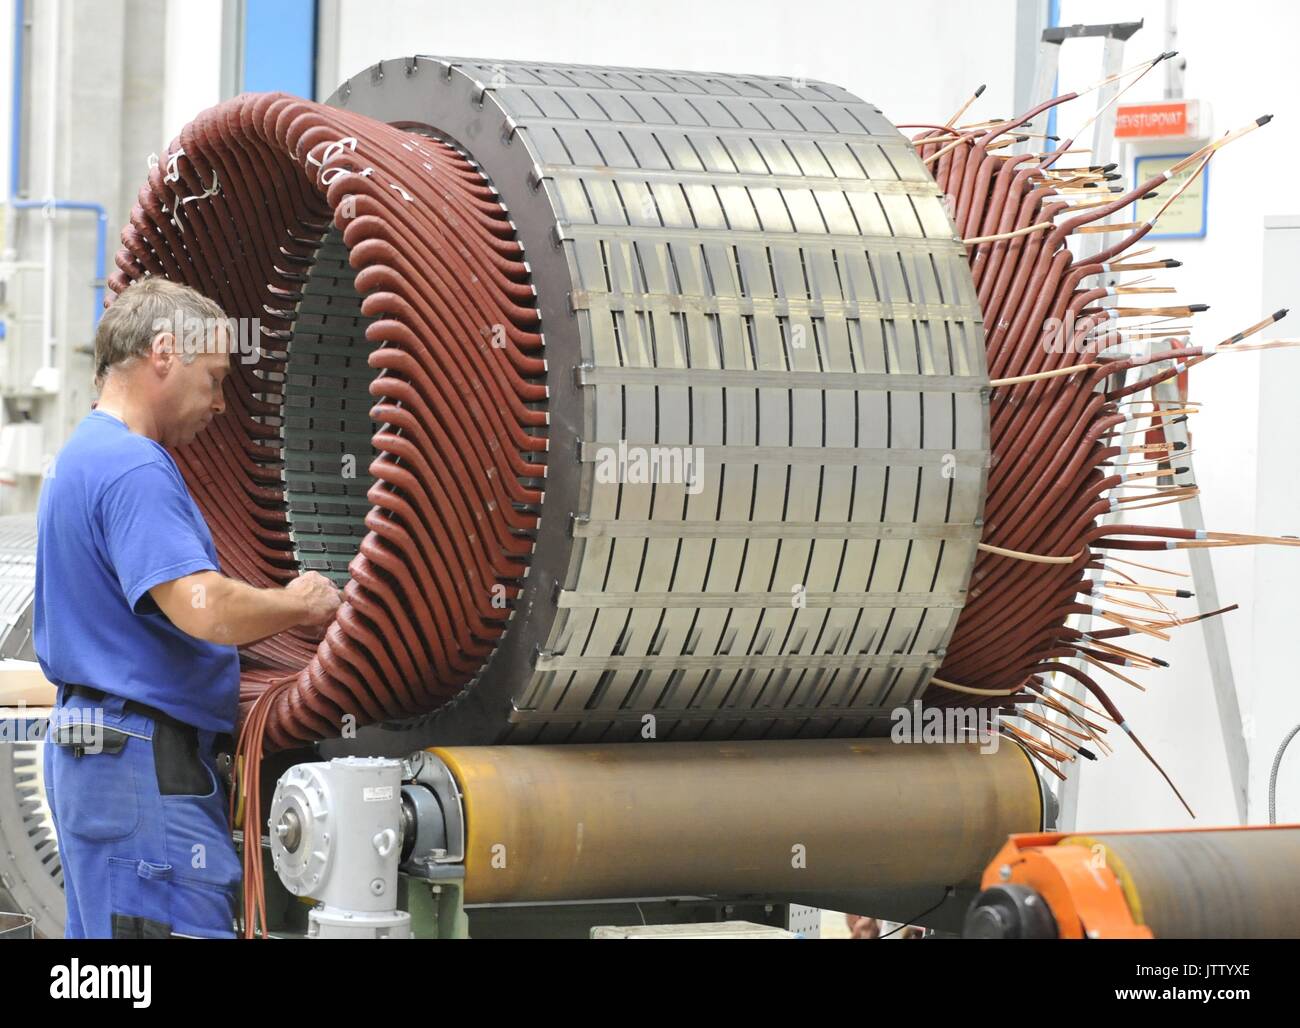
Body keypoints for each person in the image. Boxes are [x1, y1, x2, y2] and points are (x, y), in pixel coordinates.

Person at [35, 277, 341, 938]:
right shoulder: (133, 468)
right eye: (215, 378)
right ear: (165, 354)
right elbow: (200, 607)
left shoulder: (83, 455)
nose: (221, 403)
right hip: (144, 764)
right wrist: (297, 602)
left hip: (98, 757)